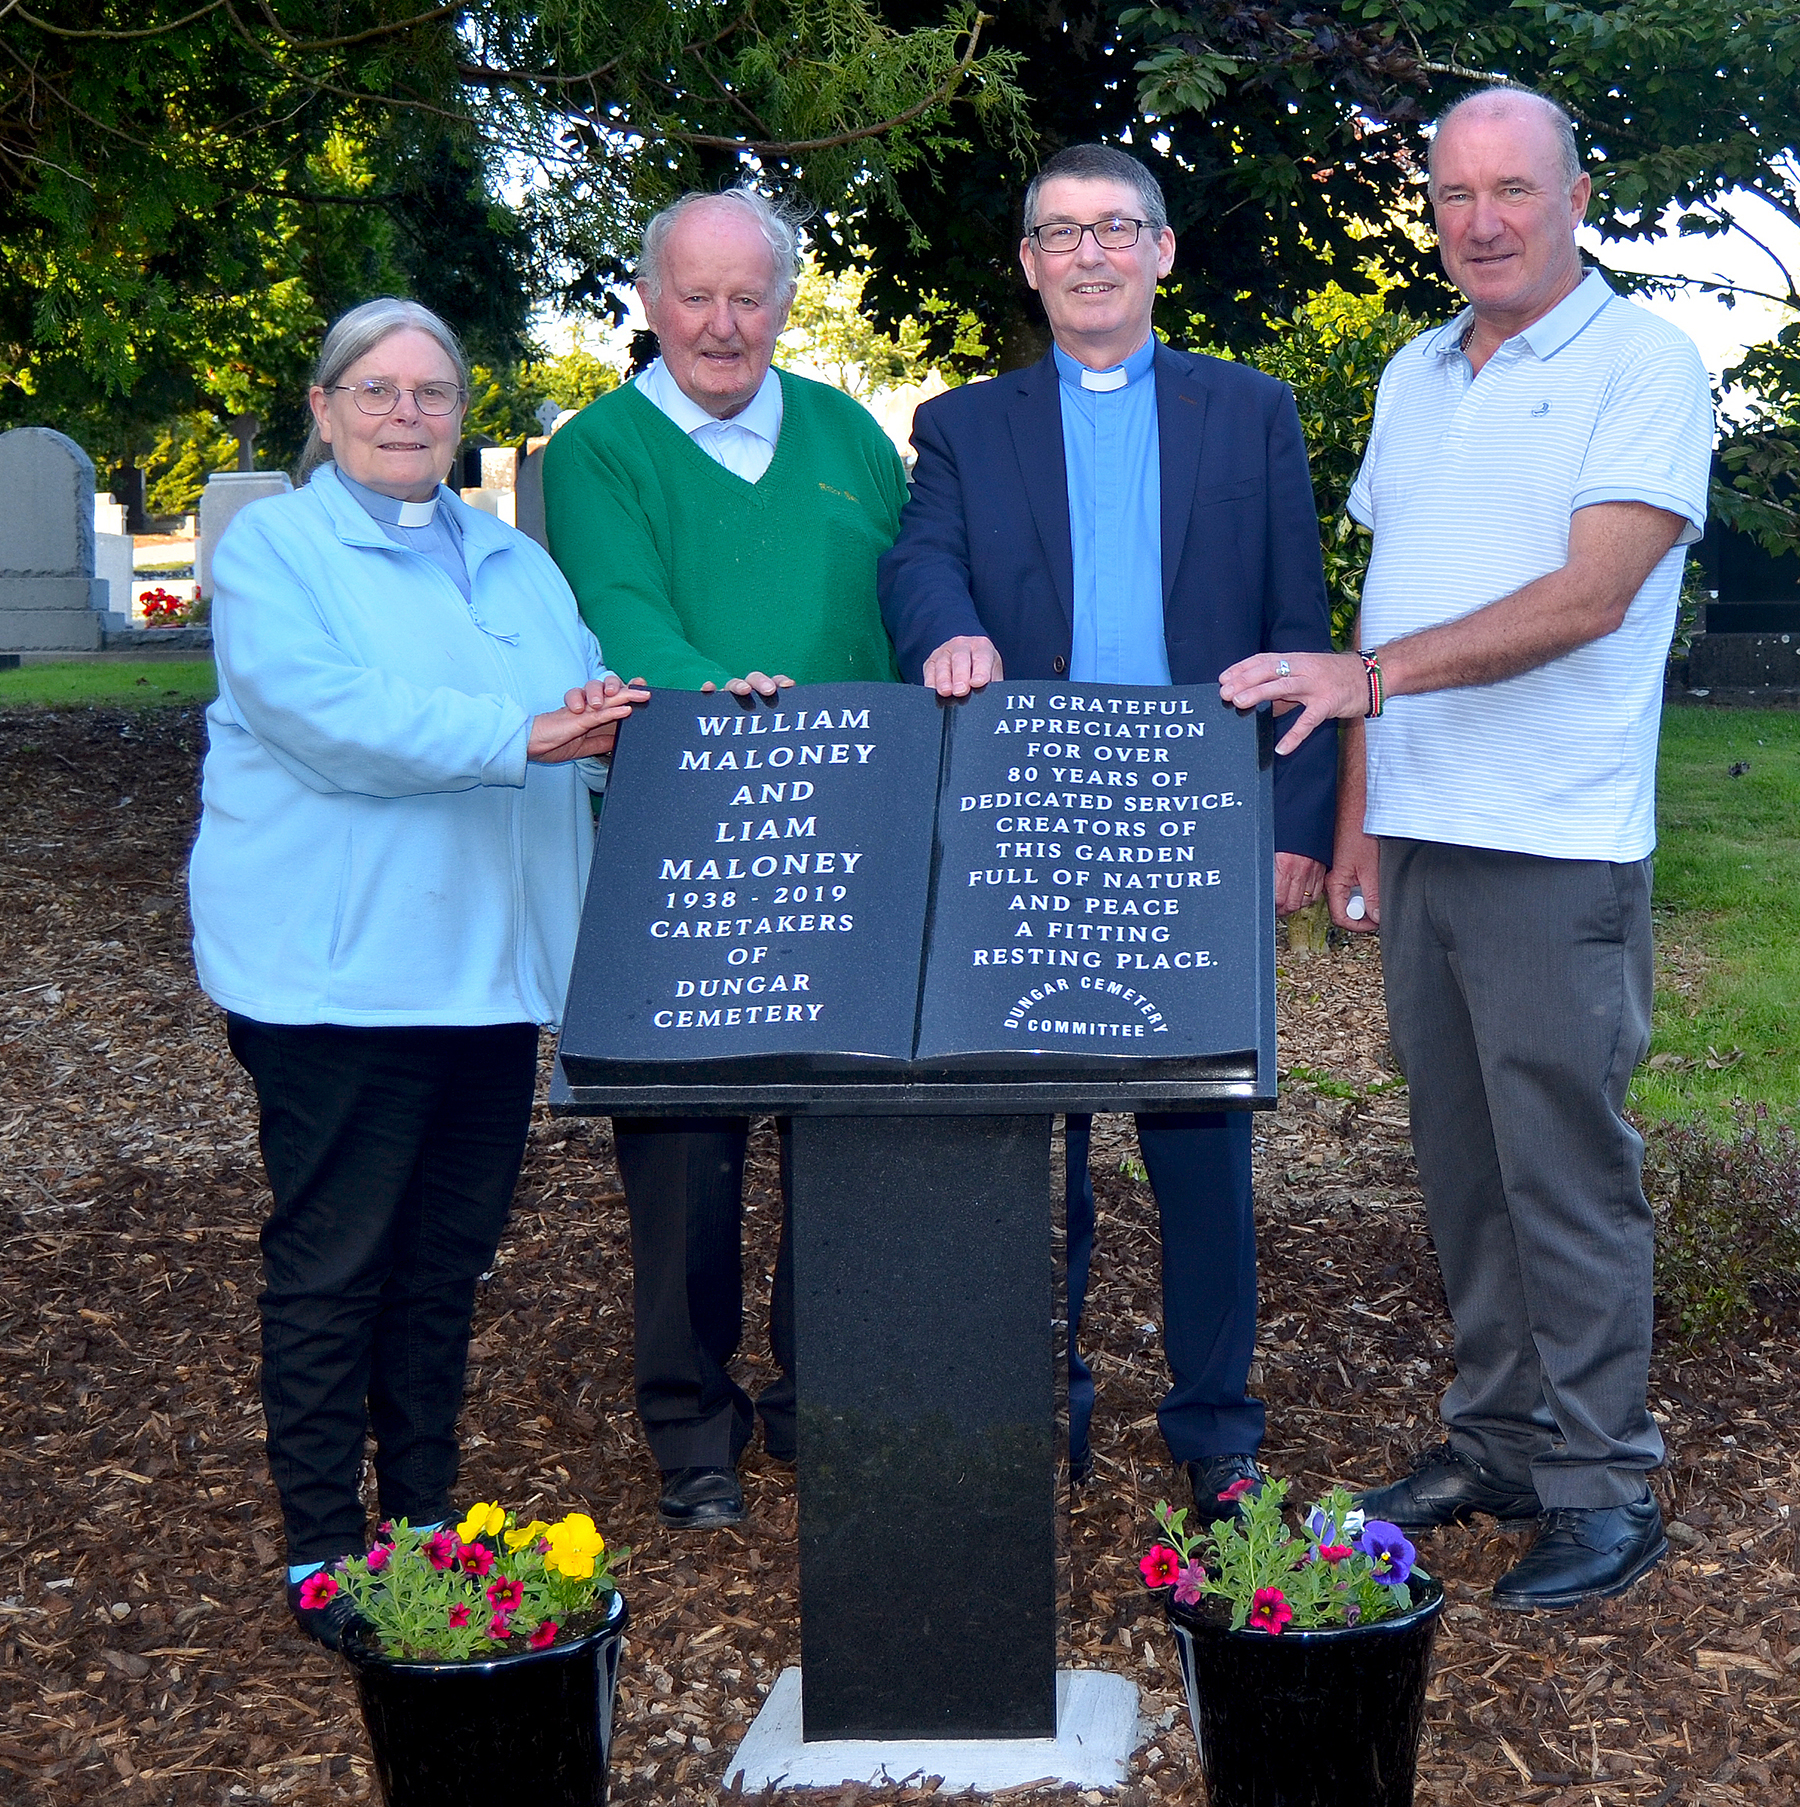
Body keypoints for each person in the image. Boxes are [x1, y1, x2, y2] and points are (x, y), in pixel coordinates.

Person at [1219, 86, 1712, 1608]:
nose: (1482, 222)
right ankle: (1500, 1442)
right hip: (1425, 835)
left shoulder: (1645, 363)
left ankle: (1604, 1483)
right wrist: (1363, 817)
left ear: (1577, 199)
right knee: (1464, 1165)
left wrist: (1371, 682)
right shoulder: (1416, 369)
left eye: (1514, 190)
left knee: (1565, 1169)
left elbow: (1591, 597)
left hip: (1553, 840)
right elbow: (1395, 601)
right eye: (1454, 195)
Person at [878, 143, 1337, 1518]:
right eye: (1062, 232)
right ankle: (1028, 1399)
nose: (1090, 253)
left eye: (1116, 227)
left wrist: (1295, 818)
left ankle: (1216, 1429)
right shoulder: (965, 423)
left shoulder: (1250, 410)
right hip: (1035, 810)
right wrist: (946, 629)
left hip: (1197, 811)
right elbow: (919, 559)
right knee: (1028, 1130)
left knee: (1201, 1140)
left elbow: (1298, 617)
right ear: (1028, 263)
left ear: (1162, 250)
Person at [189, 298, 646, 1647]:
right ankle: (322, 1550)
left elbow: (577, 697)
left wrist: (623, 718)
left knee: (445, 1262)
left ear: (461, 415)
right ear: (323, 409)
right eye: (376, 390)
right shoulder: (275, 550)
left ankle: (426, 1521)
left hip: (489, 976)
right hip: (341, 977)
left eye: (433, 393)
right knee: (337, 1265)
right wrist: (530, 734)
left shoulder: (514, 563)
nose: (407, 414)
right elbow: (325, 716)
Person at [542, 186, 909, 1529]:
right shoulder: (599, 450)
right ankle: (693, 1427)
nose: (720, 323)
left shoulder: (846, 433)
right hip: (681, 840)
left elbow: (902, 600)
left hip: (848, 836)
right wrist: (723, 702)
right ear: (649, 302)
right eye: (693, 296)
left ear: (785, 305)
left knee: (842, 1133)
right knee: (686, 1153)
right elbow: (620, 611)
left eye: (748, 297)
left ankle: (823, 1397)